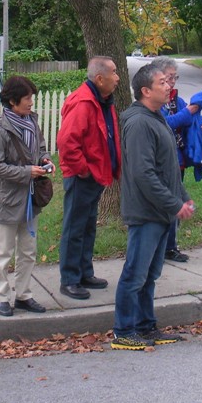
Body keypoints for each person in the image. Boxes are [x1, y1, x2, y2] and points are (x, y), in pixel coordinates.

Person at [112, 64, 195, 350]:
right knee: (135, 273)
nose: (168, 85)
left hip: (162, 212)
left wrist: (182, 196)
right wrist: (174, 204)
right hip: (146, 212)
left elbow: (168, 165)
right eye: (162, 82)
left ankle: (146, 327)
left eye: (168, 81)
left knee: (150, 274)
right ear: (146, 91)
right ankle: (123, 331)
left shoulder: (157, 116)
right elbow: (143, 173)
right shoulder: (138, 123)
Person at [0, 76, 54, 317]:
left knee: (28, 251)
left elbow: (41, 148)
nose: (31, 103)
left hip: (30, 200)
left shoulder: (32, 122)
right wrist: (27, 172)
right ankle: (1, 297)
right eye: (27, 98)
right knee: (3, 252)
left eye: (32, 98)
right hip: (7, 201)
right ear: (13, 101)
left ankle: (24, 295)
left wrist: (44, 161)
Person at [56, 56, 121, 300]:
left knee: (87, 226)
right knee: (75, 227)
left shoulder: (102, 100)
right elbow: (66, 142)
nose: (117, 78)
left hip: (95, 175)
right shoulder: (84, 102)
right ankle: (69, 279)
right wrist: (83, 170)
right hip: (83, 176)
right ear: (99, 78)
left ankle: (84, 273)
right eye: (114, 73)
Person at [148, 57, 202, 262]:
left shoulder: (177, 99)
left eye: (175, 77)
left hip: (178, 161)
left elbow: (194, 119)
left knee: (175, 204)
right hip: (162, 162)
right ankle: (160, 248)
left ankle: (170, 246)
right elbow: (163, 124)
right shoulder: (153, 101)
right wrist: (188, 113)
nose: (173, 82)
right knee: (165, 206)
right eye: (169, 78)